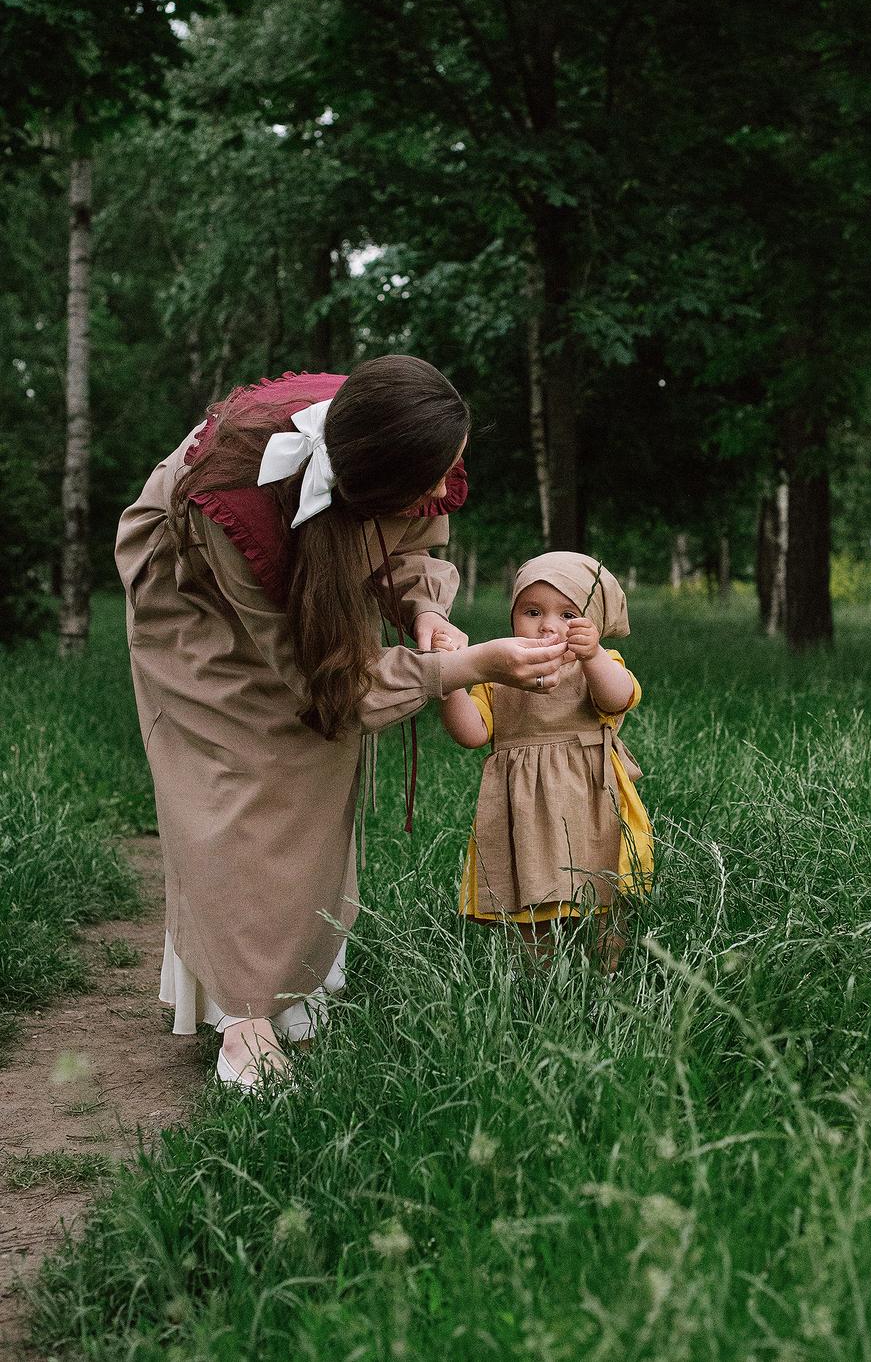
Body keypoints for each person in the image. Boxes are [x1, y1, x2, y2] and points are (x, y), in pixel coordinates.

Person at [115, 356, 570, 1090]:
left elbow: (405, 540)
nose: (438, 491)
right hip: (194, 583)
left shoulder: (401, 441)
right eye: (427, 481)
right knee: (244, 765)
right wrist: (468, 668)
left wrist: (424, 612)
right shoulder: (237, 509)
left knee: (317, 760)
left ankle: (293, 988)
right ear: (371, 479)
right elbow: (334, 686)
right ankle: (243, 1021)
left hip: (291, 559)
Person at [434, 553, 653, 968]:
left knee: (604, 894)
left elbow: (618, 697)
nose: (549, 625)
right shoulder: (498, 674)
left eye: (569, 614)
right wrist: (450, 679)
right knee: (528, 897)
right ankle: (540, 981)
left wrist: (592, 657)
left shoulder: (600, 667)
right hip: (524, 810)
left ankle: (608, 975)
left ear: (595, 624)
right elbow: (472, 734)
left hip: (591, 801)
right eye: (532, 611)